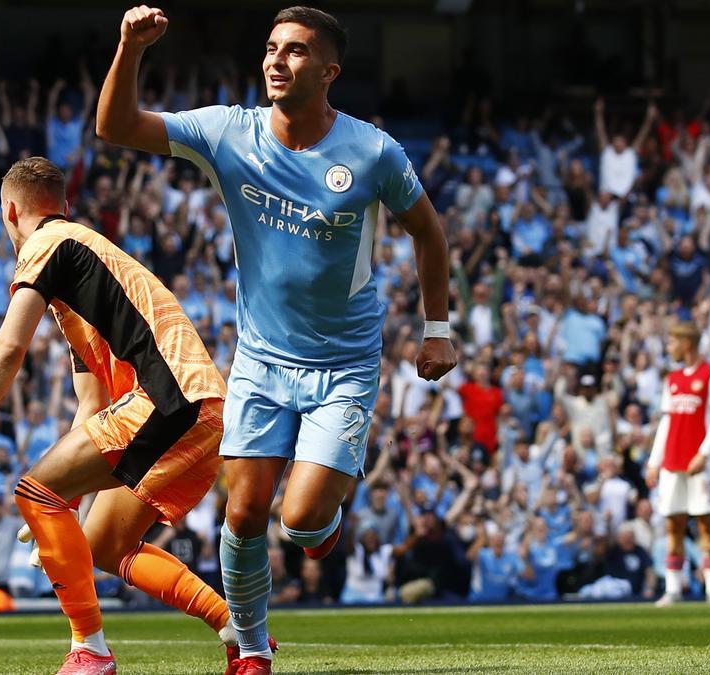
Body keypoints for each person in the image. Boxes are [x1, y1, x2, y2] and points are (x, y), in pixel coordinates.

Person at [97, 6, 456, 672]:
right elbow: (114, 126)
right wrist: (129, 48)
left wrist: (437, 328)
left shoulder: (373, 151)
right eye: (270, 48)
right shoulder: (229, 132)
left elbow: (428, 232)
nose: (276, 60)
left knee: (302, 520)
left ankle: (323, 525)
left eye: (294, 51)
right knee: (245, 510)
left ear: (329, 71)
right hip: (262, 359)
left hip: (345, 365)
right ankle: (252, 648)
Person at [0, 157, 248, 675]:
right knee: (105, 544)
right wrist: (62, 509)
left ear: (10, 211)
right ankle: (235, 628)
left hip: (167, 398)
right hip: (200, 407)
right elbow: (92, 407)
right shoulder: (84, 276)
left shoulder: (46, 245)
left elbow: (10, 344)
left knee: (34, 491)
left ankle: (91, 650)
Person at [647, 322, 710, 607]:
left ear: (687, 343)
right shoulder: (672, 379)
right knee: (674, 524)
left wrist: (705, 453)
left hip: (700, 463)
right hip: (672, 461)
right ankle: (672, 588)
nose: (669, 347)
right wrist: (653, 461)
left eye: (672, 342)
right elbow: (666, 421)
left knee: (706, 523)